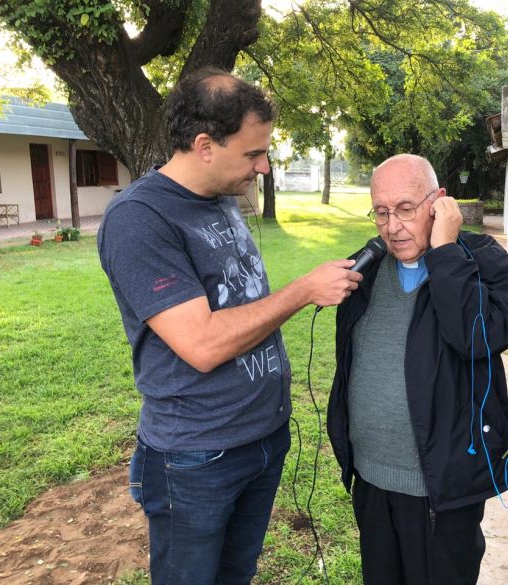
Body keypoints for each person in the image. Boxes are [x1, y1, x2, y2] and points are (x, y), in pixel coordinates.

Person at [97, 68, 361, 584]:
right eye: (252, 154)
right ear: (204, 145)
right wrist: (302, 291)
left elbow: (235, 297)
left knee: (235, 575)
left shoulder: (220, 197)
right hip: (196, 456)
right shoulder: (139, 219)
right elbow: (200, 343)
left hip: (261, 439)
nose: (263, 168)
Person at [327, 154, 508, 584]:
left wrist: (446, 250)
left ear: (439, 203)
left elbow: (480, 337)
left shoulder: (481, 258)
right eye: (381, 212)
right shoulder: (367, 267)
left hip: (440, 490)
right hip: (372, 480)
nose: (392, 226)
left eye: (406, 209)